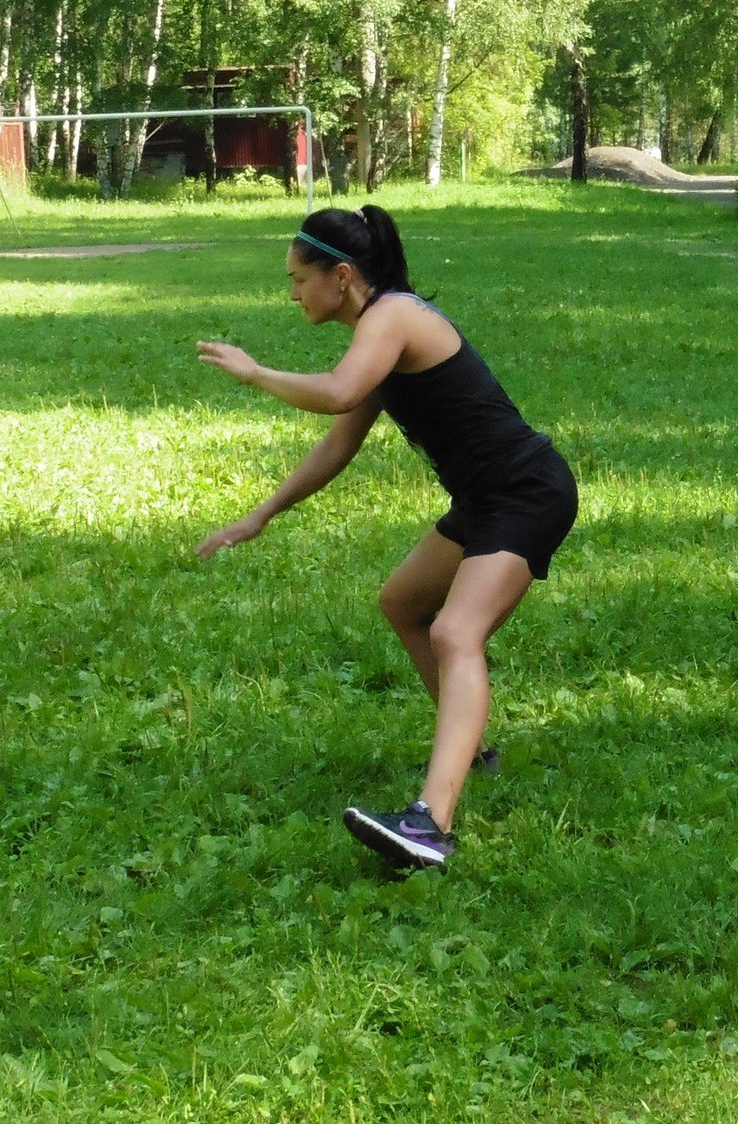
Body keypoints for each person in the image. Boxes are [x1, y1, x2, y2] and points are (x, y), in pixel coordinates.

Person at [194, 204, 579, 871]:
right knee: (404, 604)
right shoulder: (379, 332)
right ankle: (473, 750)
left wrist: (257, 374)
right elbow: (339, 443)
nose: (290, 293)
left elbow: (340, 393)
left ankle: (431, 823)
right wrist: (262, 514)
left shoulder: (394, 317)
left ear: (340, 276)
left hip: (526, 492)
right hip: (485, 499)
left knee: (455, 633)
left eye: (297, 278)